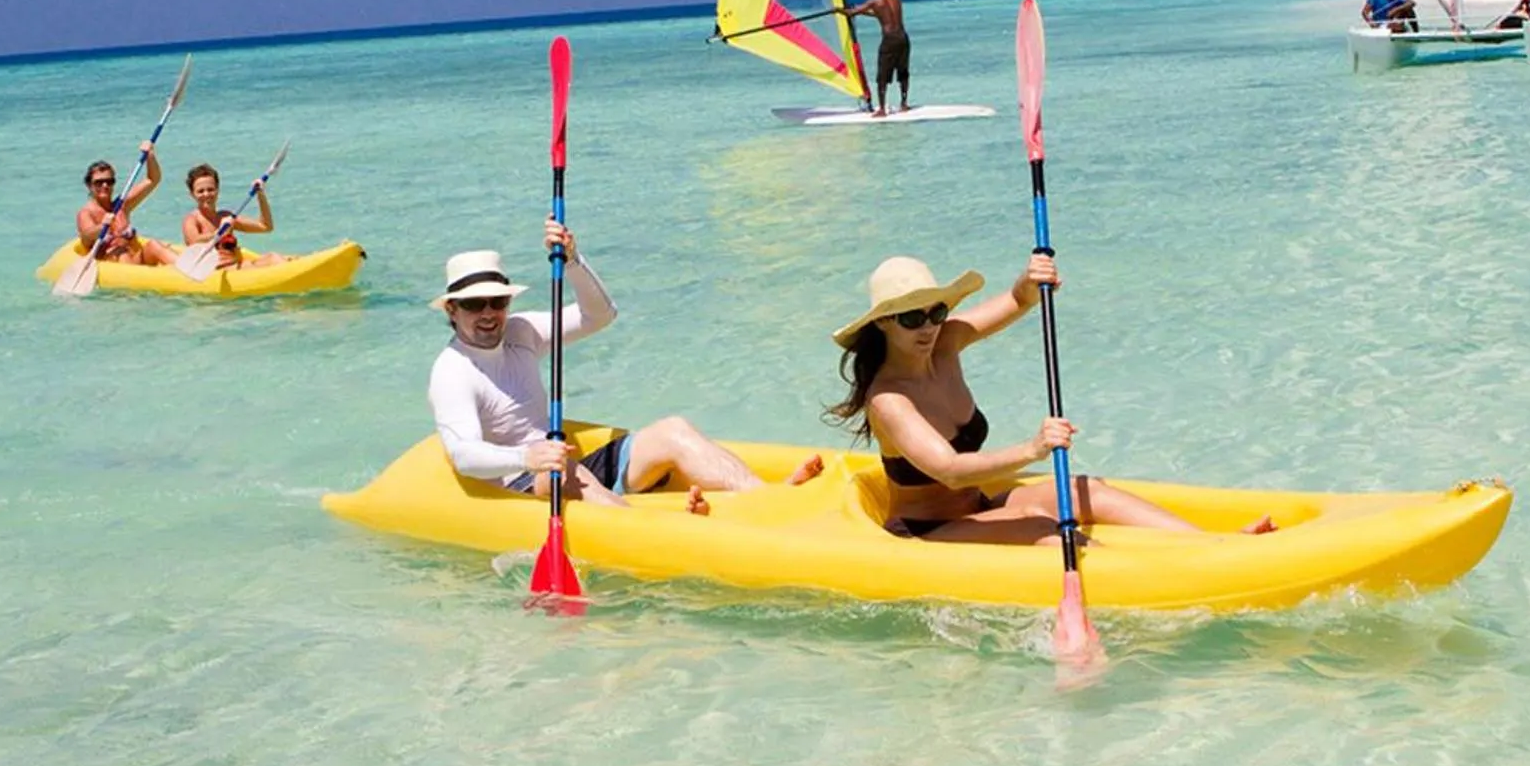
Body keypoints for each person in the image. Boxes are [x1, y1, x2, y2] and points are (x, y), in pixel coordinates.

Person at [826, 255, 1274, 542]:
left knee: (1084, 491)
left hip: (978, 506)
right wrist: (1033, 449)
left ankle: (1217, 546)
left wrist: (1030, 279)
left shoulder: (945, 343)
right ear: (884, 323)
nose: (927, 327)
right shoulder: (889, 400)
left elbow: (1018, 302)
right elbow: (951, 471)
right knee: (1049, 530)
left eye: (936, 312)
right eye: (911, 318)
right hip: (929, 531)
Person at [429, 227, 822, 509]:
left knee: (672, 430)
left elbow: (599, 315)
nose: (488, 314)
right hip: (523, 482)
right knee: (561, 472)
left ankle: (770, 502)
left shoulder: (522, 331)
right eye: (473, 304)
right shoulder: (453, 372)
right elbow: (464, 454)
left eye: (497, 302)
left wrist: (574, 262)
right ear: (452, 309)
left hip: (565, 466)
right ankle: (644, 526)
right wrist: (526, 459)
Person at [74, 145, 178, 266]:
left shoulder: (121, 205)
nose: (105, 186)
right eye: (99, 182)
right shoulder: (86, 213)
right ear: (89, 185)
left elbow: (152, 180)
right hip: (113, 265)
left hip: (135, 261)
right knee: (121, 253)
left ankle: (189, 270)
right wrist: (102, 226)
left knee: (153, 245)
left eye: (109, 181)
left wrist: (150, 155)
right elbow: (86, 238)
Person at [181, 163, 289, 269]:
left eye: (210, 189)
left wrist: (260, 195)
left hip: (236, 268)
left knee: (278, 257)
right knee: (273, 259)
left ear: (217, 190)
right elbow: (194, 242)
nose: (206, 194)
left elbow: (265, 226)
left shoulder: (226, 217)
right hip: (216, 273)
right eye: (200, 191)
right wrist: (219, 232)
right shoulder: (192, 220)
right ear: (192, 194)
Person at [843, 0, 910, 116]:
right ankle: (904, 104)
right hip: (903, 38)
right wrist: (862, 13)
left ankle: (882, 109)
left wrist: (840, 10)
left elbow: (851, 13)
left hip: (889, 40)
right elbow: (882, 15)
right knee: (903, 71)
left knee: (882, 76)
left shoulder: (875, 2)